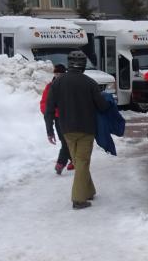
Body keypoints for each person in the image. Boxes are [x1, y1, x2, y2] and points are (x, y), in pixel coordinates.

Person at [44, 50, 111, 210]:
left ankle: (88, 190)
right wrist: (108, 103)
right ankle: (78, 199)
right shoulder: (90, 83)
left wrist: (50, 130)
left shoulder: (57, 83)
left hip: (66, 129)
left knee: (79, 162)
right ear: (83, 65)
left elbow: (49, 109)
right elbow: (102, 106)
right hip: (86, 129)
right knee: (82, 162)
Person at [40, 63, 73, 174]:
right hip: (58, 118)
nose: (58, 75)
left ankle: (62, 163)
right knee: (64, 140)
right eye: (56, 73)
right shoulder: (50, 86)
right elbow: (44, 102)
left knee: (67, 140)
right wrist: (49, 112)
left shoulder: (69, 86)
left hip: (70, 117)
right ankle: (72, 160)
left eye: (60, 73)